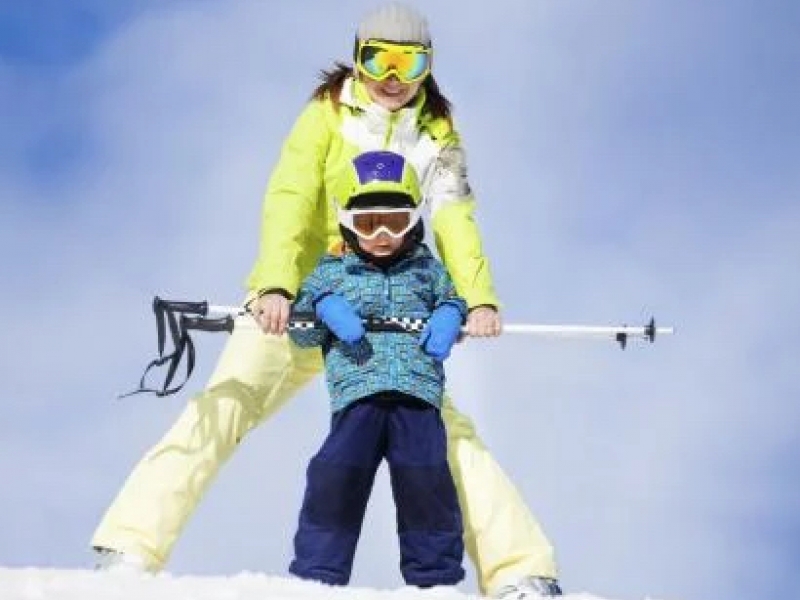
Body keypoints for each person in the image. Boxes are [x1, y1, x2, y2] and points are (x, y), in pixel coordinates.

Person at [92, 3, 562, 598]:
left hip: (388, 317)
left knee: (445, 434)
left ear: (427, 65)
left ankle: (520, 570)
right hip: (306, 303)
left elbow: (455, 217)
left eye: (408, 61)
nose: (392, 76)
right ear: (357, 56)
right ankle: (129, 547)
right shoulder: (327, 117)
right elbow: (291, 196)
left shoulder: (437, 134)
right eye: (378, 59)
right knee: (228, 401)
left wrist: (477, 299)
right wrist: (275, 285)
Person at [288, 150, 466, 588]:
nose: (383, 235)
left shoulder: (426, 269)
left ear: (413, 220)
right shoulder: (332, 272)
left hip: (417, 396)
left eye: (396, 221)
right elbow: (301, 333)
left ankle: (435, 579)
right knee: (336, 473)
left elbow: (452, 298)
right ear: (347, 223)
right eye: (368, 225)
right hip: (358, 395)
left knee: (426, 480)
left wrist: (449, 314)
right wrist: (322, 306)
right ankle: (317, 575)